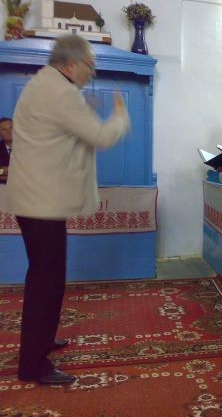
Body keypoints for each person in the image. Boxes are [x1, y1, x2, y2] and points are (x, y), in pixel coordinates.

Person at [7, 35, 130, 385]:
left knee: (48, 278)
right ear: (71, 64)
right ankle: (33, 365)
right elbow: (102, 136)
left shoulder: (45, 84)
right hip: (41, 202)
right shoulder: (60, 93)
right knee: (45, 282)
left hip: (38, 199)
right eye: (90, 65)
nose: (92, 72)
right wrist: (120, 114)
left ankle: (42, 341)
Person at [0, 117, 12, 184]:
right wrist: (3, 171)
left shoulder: (28, 147)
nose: (9, 131)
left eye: (11, 128)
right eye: (4, 129)